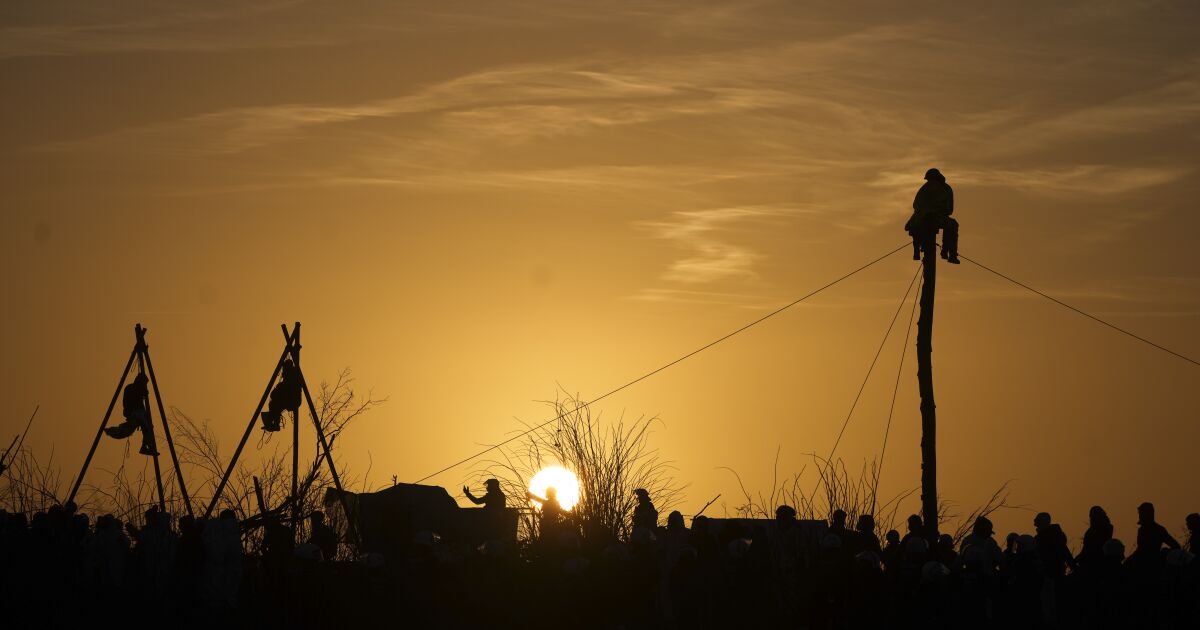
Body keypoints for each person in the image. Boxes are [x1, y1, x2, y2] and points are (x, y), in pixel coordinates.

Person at [905, 168, 959, 263]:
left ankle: (918, 250)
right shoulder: (945, 189)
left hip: (920, 219)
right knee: (953, 225)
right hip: (932, 218)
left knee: (916, 224)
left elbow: (915, 205)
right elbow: (949, 210)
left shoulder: (923, 189)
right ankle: (950, 253)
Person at [103, 373, 158, 455]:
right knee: (147, 427)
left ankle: (145, 446)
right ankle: (146, 446)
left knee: (130, 429)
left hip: (136, 413)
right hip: (136, 413)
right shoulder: (133, 388)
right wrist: (144, 392)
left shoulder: (132, 388)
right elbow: (134, 398)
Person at [261, 359, 302, 432]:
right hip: (291, 400)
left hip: (293, 400)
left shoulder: (291, 378)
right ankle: (271, 422)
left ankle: (273, 423)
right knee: (275, 406)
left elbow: (277, 392)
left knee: (274, 405)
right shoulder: (290, 377)